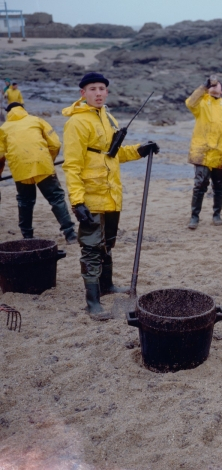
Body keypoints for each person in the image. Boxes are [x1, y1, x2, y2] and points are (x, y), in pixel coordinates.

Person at [62, 72, 159, 319]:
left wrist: (141, 150)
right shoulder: (76, 122)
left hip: (112, 195)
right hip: (90, 197)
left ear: (107, 92)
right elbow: (71, 166)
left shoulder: (108, 117)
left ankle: (106, 286)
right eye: (92, 89)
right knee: (92, 248)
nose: (98, 93)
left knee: (107, 244)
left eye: (102, 88)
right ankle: (92, 301)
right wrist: (77, 201)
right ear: (82, 93)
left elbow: (113, 154)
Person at [0, 103, 76, 243]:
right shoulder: (36, 120)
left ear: (8, 113)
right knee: (56, 198)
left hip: (20, 169)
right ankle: (70, 234)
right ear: (23, 109)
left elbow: (0, 156)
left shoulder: (3, 129)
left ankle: (27, 235)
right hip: (43, 165)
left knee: (25, 201)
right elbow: (55, 144)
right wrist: (49, 160)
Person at [186, 75, 222, 229]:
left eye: (218, 85)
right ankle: (194, 217)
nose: (215, 86)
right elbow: (190, 102)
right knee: (199, 185)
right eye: (212, 85)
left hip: (220, 154)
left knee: (219, 186)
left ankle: (217, 215)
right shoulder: (201, 104)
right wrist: (204, 86)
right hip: (202, 152)